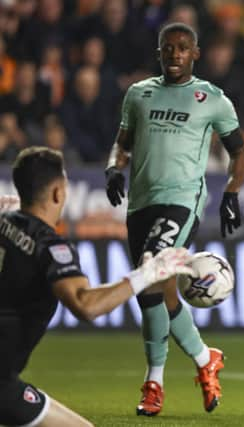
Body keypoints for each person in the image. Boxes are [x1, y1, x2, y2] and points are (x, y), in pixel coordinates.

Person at [103, 22, 244, 416]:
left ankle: (154, 383)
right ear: (159, 52)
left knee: (149, 273)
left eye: (183, 48)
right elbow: (123, 141)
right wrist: (114, 168)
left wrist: (231, 192)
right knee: (158, 290)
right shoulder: (139, 94)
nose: (175, 54)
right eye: (168, 48)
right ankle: (205, 359)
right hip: (140, 203)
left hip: (182, 201)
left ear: (195, 54)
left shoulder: (212, 99)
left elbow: (239, 152)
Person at [0, 147, 194, 427]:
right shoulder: (51, 247)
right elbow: (85, 305)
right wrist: (147, 274)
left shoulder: (5, 222)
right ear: (57, 193)